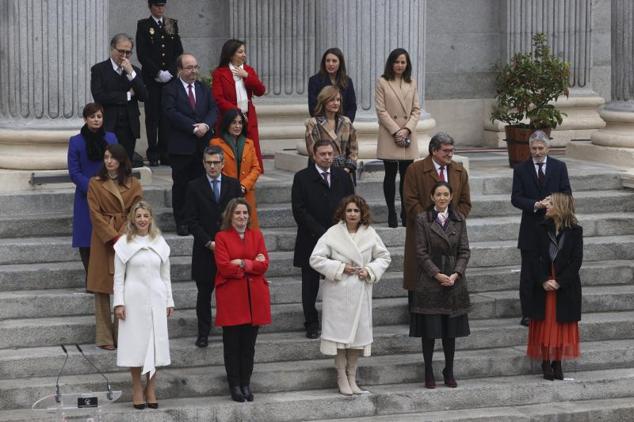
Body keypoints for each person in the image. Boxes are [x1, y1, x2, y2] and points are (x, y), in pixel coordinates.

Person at [309, 195, 391, 396]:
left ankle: (352, 376)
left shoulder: (370, 234)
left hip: (361, 290)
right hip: (338, 292)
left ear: (362, 213)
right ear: (343, 213)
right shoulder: (332, 233)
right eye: (349, 210)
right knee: (339, 338)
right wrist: (340, 267)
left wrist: (370, 270)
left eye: (356, 210)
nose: (353, 214)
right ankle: (341, 376)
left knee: (357, 337)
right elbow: (315, 258)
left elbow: (384, 257)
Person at [410, 181, 471, 389]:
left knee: (450, 331)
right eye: (439, 194)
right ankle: (428, 370)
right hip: (430, 281)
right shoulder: (422, 219)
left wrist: (456, 273)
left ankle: (449, 370)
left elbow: (464, 250)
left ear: (451, 197)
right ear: (432, 197)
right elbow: (420, 252)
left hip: (453, 281)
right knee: (430, 331)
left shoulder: (459, 219)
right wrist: (437, 274)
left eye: (446, 194)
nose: (442, 198)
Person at [292, 139, 355, 339]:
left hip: (339, 239)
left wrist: (340, 230)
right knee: (310, 284)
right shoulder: (302, 178)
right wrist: (321, 232)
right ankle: (311, 322)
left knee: (338, 281)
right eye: (323, 154)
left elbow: (351, 205)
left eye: (330, 154)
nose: (327, 157)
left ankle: (337, 321)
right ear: (314, 156)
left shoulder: (343, 177)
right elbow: (299, 210)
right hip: (311, 238)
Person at [113, 200, 173, 410]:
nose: (142, 220)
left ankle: (151, 387)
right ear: (132, 218)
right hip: (133, 299)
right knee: (136, 344)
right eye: (138, 216)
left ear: (151, 218)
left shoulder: (160, 242)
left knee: (154, 344)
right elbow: (119, 278)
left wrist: (169, 301)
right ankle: (137, 387)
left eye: (145, 216)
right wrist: (118, 303)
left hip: (156, 298)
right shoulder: (123, 243)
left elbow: (166, 276)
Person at [512, 130, 571, 327]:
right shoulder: (521, 169)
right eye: (533, 148)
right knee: (528, 273)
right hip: (530, 229)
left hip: (553, 228)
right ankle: (528, 313)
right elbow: (516, 198)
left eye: (540, 148)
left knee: (551, 270)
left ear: (548, 147)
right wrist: (535, 204)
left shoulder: (559, 167)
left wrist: (552, 201)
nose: (537, 152)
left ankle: (551, 310)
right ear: (529, 149)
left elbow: (567, 193)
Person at [184, 146, 242, 348]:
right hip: (205, 249)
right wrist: (208, 242)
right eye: (208, 162)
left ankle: (232, 329)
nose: (212, 166)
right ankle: (203, 332)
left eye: (216, 162)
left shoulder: (233, 185)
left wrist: (228, 243)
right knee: (204, 294)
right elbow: (191, 220)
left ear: (222, 163)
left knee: (231, 293)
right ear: (203, 163)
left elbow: (240, 215)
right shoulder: (194, 186)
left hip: (229, 250)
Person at [87, 144, 143, 350]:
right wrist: (112, 236)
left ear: (121, 160)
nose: (109, 161)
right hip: (103, 240)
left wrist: (124, 232)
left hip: (126, 237)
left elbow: (137, 210)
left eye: (113, 157)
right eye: (106, 157)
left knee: (125, 287)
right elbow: (95, 213)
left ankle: (123, 334)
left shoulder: (134, 183)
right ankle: (104, 337)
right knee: (101, 289)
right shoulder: (95, 183)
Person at [214, 198, 271, 402]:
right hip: (232, 298)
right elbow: (224, 267)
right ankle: (235, 385)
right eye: (238, 213)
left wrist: (241, 263)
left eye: (245, 213)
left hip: (254, 298)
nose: (242, 217)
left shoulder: (256, 235)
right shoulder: (222, 237)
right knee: (232, 346)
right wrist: (252, 264)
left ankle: (246, 383)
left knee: (248, 346)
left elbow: (264, 265)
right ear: (230, 215)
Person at [402, 132, 471, 294]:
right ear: (433, 150)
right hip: (422, 233)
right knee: (422, 276)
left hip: (451, 235)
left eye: (452, 150)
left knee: (448, 279)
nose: (450, 154)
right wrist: (430, 223)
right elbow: (410, 201)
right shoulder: (415, 170)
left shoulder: (459, 171)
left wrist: (452, 221)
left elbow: (465, 202)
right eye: (446, 151)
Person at [526, 193, 582, 381]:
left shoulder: (575, 231)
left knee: (560, 325)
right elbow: (532, 258)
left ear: (560, 206)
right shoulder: (539, 228)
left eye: (550, 203)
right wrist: (543, 280)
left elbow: (576, 261)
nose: (546, 206)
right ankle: (545, 361)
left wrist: (560, 282)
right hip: (544, 285)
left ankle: (557, 362)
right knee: (545, 325)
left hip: (564, 286)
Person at [163, 53, 218, 236]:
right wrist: (193, 128)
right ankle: (182, 221)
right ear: (179, 69)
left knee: (200, 184)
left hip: (202, 146)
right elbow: (170, 112)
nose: (194, 71)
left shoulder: (203, 88)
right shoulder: (171, 88)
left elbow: (213, 109)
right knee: (181, 186)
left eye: (195, 67)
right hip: (181, 147)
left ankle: (198, 219)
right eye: (189, 67)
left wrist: (207, 125)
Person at [68, 103, 118, 284]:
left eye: (99, 116)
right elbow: (74, 172)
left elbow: (119, 162)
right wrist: (92, 187)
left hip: (110, 192)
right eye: (92, 117)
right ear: (85, 119)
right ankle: (91, 279)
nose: (96, 120)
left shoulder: (111, 138)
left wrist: (108, 184)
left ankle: (108, 277)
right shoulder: (76, 141)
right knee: (86, 238)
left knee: (108, 235)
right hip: (86, 195)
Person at [375, 48, 421, 228]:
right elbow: (380, 110)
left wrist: (407, 129)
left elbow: (416, 110)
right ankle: (391, 212)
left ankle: (404, 211)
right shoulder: (382, 82)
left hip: (408, 134)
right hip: (389, 134)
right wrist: (396, 131)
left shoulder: (412, 82)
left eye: (403, 62)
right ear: (391, 63)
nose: (400, 65)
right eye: (396, 62)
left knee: (406, 176)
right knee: (390, 174)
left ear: (407, 64)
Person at [136, 0, 184, 166]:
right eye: (157, 6)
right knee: (152, 116)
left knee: (167, 115)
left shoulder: (171, 24)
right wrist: (156, 72)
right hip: (152, 79)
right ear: (150, 7)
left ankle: (165, 151)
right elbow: (142, 54)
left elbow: (178, 51)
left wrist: (170, 72)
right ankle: (153, 152)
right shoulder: (144, 25)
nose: (160, 9)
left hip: (169, 79)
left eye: (162, 5)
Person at [90, 33, 148, 164]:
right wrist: (128, 95)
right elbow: (99, 96)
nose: (124, 56)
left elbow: (144, 96)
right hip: (108, 124)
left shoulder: (135, 71)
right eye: (121, 51)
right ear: (112, 49)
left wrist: (131, 74)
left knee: (125, 163)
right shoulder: (99, 69)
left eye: (128, 52)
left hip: (129, 125)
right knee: (108, 162)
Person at [211, 39, 266, 171]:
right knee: (229, 147)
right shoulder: (219, 73)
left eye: (244, 52)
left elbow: (260, 91)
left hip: (248, 115)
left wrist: (246, 76)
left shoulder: (248, 70)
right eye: (240, 52)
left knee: (249, 146)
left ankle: (250, 171)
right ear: (231, 54)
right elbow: (218, 98)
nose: (244, 55)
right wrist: (237, 113)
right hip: (228, 117)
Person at [210, 108, 262, 228]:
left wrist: (244, 186)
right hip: (225, 193)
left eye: (240, 123)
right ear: (227, 124)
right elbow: (216, 169)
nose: (237, 126)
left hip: (246, 193)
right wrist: (233, 187)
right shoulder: (216, 143)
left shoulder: (249, 143)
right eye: (234, 122)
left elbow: (256, 168)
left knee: (249, 231)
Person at [305, 86, 358, 179]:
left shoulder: (346, 122)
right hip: (321, 173)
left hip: (344, 172)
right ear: (324, 101)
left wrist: (347, 168)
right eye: (332, 100)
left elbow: (353, 148)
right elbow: (312, 150)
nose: (336, 103)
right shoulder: (313, 123)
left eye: (338, 100)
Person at [308, 48, 357, 122]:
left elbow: (352, 106)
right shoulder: (314, 81)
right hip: (322, 126)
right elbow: (313, 107)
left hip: (343, 126)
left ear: (340, 63)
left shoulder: (347, 81)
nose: (330, 64)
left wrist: (344, 124)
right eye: (328, 61)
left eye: (334, 61)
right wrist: (325, 125)